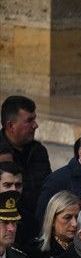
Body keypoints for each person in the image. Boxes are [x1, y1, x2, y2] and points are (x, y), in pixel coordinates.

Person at [0, 96, 52, 249]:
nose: (35, 125)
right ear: (11, 125)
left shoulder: (39, 152)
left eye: (34, 119)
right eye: (29, 121)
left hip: (36, 230)